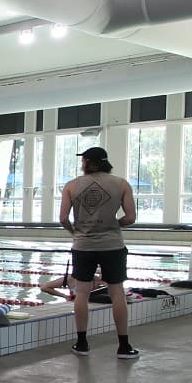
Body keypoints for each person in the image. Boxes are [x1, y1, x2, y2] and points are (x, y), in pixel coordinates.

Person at [59, 147, 139, 359]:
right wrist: (113, 226)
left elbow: (63, 218)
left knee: (82, 293)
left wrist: (75, 232)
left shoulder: (71, 186)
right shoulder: (121, 184)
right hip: (112, 245)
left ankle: (82, 343)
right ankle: (124, 346)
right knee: (117, 292)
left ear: (87, 162)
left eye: (83, 161)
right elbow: (130, 217)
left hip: (83, 246)